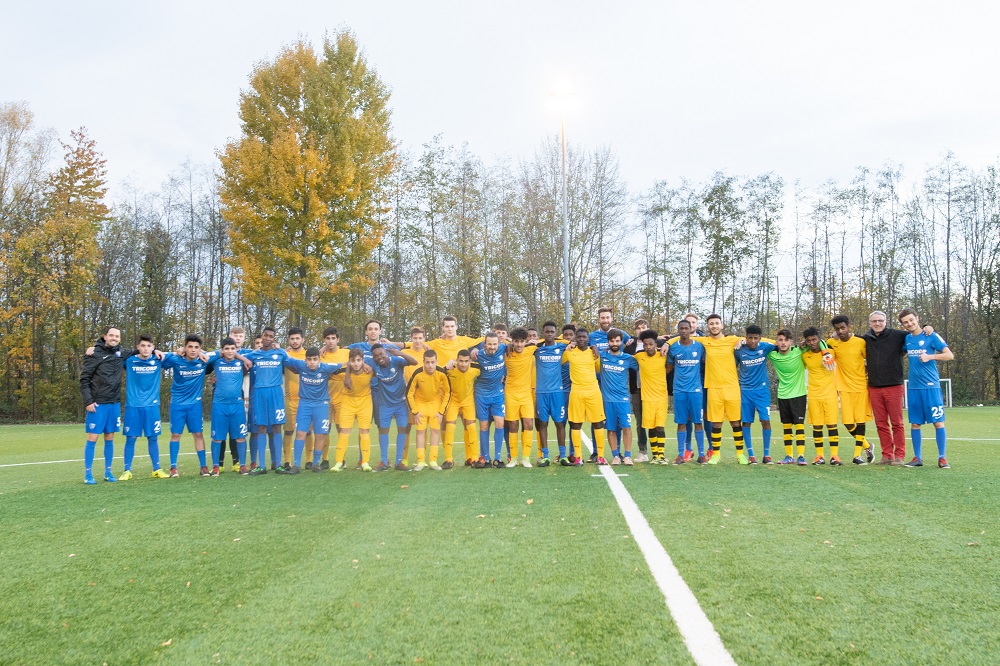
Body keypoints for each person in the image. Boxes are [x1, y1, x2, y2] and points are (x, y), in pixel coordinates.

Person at [862, 311, 932, 465]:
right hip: (874, 387)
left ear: (886, 321)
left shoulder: (898, 335)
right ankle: (887, 455)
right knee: (880, 424)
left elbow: (916, 332)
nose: (878, 323)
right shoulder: (865, 339)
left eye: (880, 320)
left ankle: (899, 455)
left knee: (897, 423)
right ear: (870, 323)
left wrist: (927, 327)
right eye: (874, 321)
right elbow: (846, 340)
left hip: (894, 385)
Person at [899, 308, 954, 468]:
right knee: (915, 424)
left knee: (938, 422)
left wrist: (931, 356)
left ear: (917, 318)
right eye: (905, 322)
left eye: (911, 320)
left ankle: (942, 458)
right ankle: (917, 458)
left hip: (931, 387)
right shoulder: (907, 339)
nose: (909, 323)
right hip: (914, 388)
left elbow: (949, 355)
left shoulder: (931, 335)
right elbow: (899, 352)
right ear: (903, 325)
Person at [80, 327, 133, 484]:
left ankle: (108, 472)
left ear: (120, 339)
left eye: (117, 336)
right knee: (93, 438)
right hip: (97, 404)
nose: (114, 338)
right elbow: (84, 380)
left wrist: (157, 350)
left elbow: (140, 351)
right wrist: (88, 401)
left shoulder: (121, 353)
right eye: (111, 335)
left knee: (110, 437)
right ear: (105, 337)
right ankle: (88, 474)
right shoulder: (94, 353)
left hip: (114, 403)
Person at [282, 346, 343, 473]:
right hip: (304, 404)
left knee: (320, 435)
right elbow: (287, 357)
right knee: (300, 433)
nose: (312, 362)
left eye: (315, 359)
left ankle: (316, 464)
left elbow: (345, 364)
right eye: (309, 359)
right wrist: (280, 349)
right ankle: (297, 465)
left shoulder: (326, 367)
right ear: (305, 360)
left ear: (319, 360)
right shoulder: (301, 365)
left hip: (321, 405)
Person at [827, 315, 875, 465]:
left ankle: (857, 455)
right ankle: (868, 445)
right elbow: (823, 350)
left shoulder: (861, 342)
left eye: (843, 327)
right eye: (837, 329)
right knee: (848, 423)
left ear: (849, 326)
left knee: (860, 421)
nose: (840, 331)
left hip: (861, 386)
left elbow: (871, 360)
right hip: (843, 387)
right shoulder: (831, 343)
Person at [161, 335, 211, 477]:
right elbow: (159, 356)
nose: (193, 350)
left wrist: (204, 353)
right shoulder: (176, 360)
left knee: (198, 434)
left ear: (200, 348)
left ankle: (203, 467)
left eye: (196, 347)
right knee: (176, 434)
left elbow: (221, 352)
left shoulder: (204, 359)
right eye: (190, 347)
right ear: (185, 347)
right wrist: (174, 351)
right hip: (177, 404)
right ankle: (173, 468)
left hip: (195, 404)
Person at [243, 327, 291, 474]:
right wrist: (243, 359)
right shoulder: (254, 354)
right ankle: (261, 465)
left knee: (277, 426)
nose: (268, 338)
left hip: (276, 392)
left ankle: (277, 464)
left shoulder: (280, 353)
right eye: (266, 335)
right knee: (261, 427)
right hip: (259, 393)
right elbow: (237, 357)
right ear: (262, 337)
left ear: (274, 339)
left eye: (271, 336)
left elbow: (293, 364)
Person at [120, 334, 168, 479]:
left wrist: (159, 352)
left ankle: (157, 469)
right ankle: (127, 470)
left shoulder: (158, 360)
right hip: (133, 406)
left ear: (153, 347)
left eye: (149, 346)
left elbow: (180, 353)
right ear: (138, 347)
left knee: (153, 438)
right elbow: (114, 353)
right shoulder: (129, 361)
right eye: (143, 346)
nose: (146, 348)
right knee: (131, 438)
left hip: (152, 406)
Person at [561, 327, 607, 466]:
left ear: (588, 339)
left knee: (598, 423)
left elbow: (600, 369)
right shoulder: (569, 352)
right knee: (575, 423)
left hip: (593, 391)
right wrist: (567, 346)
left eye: (584, 337)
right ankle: (579, 457)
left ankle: (601, 456)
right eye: (579, 337)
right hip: (576, 392)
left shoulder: (593, 353)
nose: (581, 339)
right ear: (575, 338)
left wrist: (596, 351)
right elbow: (560, 361)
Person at [734, 324, 776, 464]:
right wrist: (740, 341)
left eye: (755, 338)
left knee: (765, 420)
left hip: (762, 391)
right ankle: (751, 455)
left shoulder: (765, 347)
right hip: (745, 391)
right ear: (746, 338)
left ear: (759, 338)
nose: (752, 341)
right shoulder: (739, 350)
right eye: (750, 338)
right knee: (746, 422)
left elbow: (780, 344)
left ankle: (767, 455)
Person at [371, 344, 417, 470]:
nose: (379, 357)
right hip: (384, 405)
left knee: (402, 429)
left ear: (386, 353)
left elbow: (414, 362)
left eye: (381, 354)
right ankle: (384, 461)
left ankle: (399, 462)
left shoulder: (396, 360)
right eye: (376, 356)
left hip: (400, 403)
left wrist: (400, 353)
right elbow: (356, 358)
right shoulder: (374, 364)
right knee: (383, 431)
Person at [801, 328, 843, 466]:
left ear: (819, 339)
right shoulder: (804, 355)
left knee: (832, 425)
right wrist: (801, 345)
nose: (812, 343)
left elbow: (835, 339)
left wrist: (825, 349)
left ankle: (834, 456)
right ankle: (819, 456)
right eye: (809, 341)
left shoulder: (830, 353)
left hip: (830, 394)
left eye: (814, 339)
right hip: (814, 395)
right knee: (817, 426)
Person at [666, 321, 706, 464]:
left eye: (686, 328)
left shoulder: (699, 346)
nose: (683, 331)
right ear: (678, 330)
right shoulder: (674, 348)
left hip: (696, 390)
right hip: (679, 390)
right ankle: (680, 455)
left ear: (691, 330)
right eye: (681, 328)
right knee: (681, 422)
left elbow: (706, 365)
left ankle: (702, 454)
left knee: (698, 422)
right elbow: (668, 368)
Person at [767, 329, 807, 465]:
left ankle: (801, 455)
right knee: (787, 427)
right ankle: (789, 456)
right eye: (780, 340)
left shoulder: (799, 351)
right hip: (783, 395)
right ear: (776, 342)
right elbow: (760, 343)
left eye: (786, 340)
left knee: (799, 426)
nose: (783, 343)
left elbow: (819, 343)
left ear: (791, 341)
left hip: (799, 394)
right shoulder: (773, 355)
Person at [406, 349, 451, 471]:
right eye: (427, 362)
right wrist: (415, 411)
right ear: (423, 362)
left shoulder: (441, 373)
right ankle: (420, 461)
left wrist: (441, 411)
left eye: (432, 362)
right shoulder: (417, 373)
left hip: (435, 404)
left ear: (436, 361)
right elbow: (409, 393)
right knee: (420, 431)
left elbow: (448, 392)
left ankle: (433, 461)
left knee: (435, 431)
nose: (430, 365)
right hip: (420, 404)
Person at [599, 329, 639, 465]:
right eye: (612, 341)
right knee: (611, 429)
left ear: (622, 342)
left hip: (623, 399)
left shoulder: (628, 359)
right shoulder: (602, 357)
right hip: (607, 400)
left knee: (627, 427)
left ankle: (627, 456)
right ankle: (616, 456)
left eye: (617, 341)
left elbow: (643, 365)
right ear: (608, 342)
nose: (615, 343)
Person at [533, 322, 569, 465]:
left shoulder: (561, 347)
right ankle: (545, 456)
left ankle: (563, 455)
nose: (549, 334)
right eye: (547, 331)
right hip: (541, 392)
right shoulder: (536, 350)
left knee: (560, 423)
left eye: (552, 332)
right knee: (543, 423)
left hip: (557, 393)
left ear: (555, 333)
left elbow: (572, 342)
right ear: (543, 333)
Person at [334, 349, 376, 471]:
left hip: (365, 402)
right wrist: (346, 369)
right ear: (349, 361)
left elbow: (382, 371)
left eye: (359, 360)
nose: (356, 363)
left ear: (363, 360)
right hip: (348, 402)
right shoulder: (342, 372)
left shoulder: (369, 371)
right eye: (353, 361)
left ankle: (365, 462)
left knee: (364, 431)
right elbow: (326, 371)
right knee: (344, 432)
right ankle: (338, 462)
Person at [471, 332, 507, 468]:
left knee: (499, 423)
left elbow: (516, 344)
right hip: (481, 395)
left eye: (494, 344)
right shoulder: (478, 355)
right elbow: (464, 358)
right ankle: (486, 458)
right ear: (484, 344)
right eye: (489, 344)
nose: (492, 347)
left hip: (498, 394)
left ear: (499, 344)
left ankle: (497, 458)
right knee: (484, 425)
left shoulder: (503, 348)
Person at [636, 329, 670, 464]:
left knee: (660, 426)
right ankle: (655, 456)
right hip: (647, 398)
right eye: (645, 344)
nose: (648, 347)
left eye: (650, 344)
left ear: (656, 344)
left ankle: (661, 456)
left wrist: (667, 343)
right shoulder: (639, 356)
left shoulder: (663, 355)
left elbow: (677, 339)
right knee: (651, 427)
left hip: (661, 397)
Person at [503, 327, 536, 468]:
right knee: (513, 425)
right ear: (513, 341)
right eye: (516, 341)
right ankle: (514, 458)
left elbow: (547, 341)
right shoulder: (506, 352)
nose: (519, 345)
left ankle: (526, 458)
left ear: (526, 341)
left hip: (526, 395)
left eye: (522, 342)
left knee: (528, 424)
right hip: (510, 394)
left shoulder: (530, 350)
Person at [282, 327, 313, 470]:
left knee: (307, 431)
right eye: (292, 339)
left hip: (306, 400)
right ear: (288, 340)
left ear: (303, 339)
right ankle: (287, 461)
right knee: (288, 431)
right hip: (289, 400)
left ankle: (309, 460)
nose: (295, 341)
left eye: (297, 338)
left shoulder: (309, 355)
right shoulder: (285, 355)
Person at [319, 326, 350, 469]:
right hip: (325, 397)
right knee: (325, 429)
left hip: (343, 397)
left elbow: (359, 357)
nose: (331, 341)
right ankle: (324, 460)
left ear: (338, 340)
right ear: (324, 340)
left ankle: (341, 459)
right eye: (328, 338)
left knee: (341, 429)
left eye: (333, 338)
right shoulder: (320, 355)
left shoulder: (346, 353)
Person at [444, 349, 480, 466]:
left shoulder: (476, 368)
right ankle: (448, 459)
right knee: (450, 428)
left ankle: (473, 458)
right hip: (453, 401)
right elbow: (437, 372)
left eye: (466, 361)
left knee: (472, 427)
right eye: (460, 361)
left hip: (468, 401)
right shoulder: (449, 369)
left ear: (470, 360)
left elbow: (489, 371)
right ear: (456, 360)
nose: (463, 364)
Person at [623, 319, 650, 462]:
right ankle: (642, 451)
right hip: (635, 389)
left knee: (652, 420)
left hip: (652, 389)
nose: (641, 330)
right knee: (640, 421)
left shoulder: (656, 344)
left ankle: (658, 452)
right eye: (638, 328)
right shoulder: (629, 347)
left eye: (644, 327)